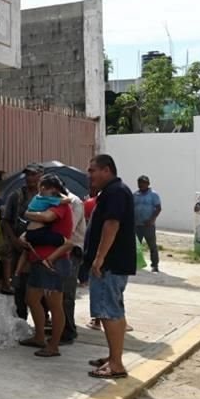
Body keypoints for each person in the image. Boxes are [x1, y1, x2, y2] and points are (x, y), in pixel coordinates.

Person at [85, 154, 136, 380]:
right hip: (114, 263)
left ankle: (116, 364)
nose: (90, 175)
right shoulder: (113, 191)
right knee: (115, 310)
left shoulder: (115, 192)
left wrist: (99, 258)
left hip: (110, 265)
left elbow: (112, 224)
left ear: (106, 170)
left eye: (92, 170)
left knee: (109, 312)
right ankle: (113, 356)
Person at [17, 174, 74, 358]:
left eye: (44, 188)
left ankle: (54, 345)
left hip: (53, 261)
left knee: (54, 304)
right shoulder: (47, 203)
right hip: (38, 258)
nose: (41, 191)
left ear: (54, 189)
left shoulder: (60, 205)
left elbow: (47, 218)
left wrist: (26, 214)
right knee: (32, 299)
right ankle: (40, 336)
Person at [2, 163, 43, 318]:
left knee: (40, 286)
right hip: (19, 249)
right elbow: (5, 221)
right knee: (19, 285)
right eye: (27, 175)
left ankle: (42, 319)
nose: (29, 178)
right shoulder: (16, 196)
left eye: (33, 174)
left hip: (40, 249)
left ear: (41, 176)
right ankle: (21, 318)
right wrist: (14, 241)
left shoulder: (47, 197)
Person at [60, 188, 86, 345]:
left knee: (66, 294)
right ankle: (61, 325)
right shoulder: (57, 201)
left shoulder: (74, 202)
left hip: (71, 251)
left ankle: (68, 331)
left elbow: (68, 229)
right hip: (60, 250)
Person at [133, 175, 162, 272]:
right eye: (140, 182)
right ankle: (136, 264)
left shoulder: (153, 195)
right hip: (137, 225)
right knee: (136, 246)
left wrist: (152, 220)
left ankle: (155, 265)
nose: (141, 184)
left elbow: (158, 208)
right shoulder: (135, 195)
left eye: (143, 183)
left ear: (148, 184)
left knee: (152, 246)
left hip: (148, 225)